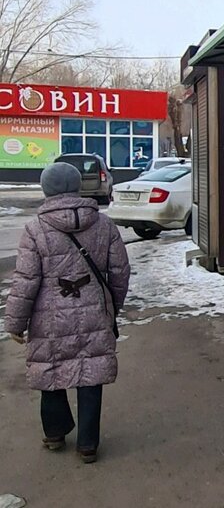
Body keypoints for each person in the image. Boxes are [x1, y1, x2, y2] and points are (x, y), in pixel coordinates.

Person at [4, 161, 130, 463]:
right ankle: (87, 444)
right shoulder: (103, 224)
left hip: (49, 317)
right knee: (91, 373)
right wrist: (112, 306)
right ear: (78, 186)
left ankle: (55, 433)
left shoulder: (35, 229)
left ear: (45, 189)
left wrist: (15, 323)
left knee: (50, 369)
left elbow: (26, 280)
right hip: (94, 312)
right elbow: (119, 271)